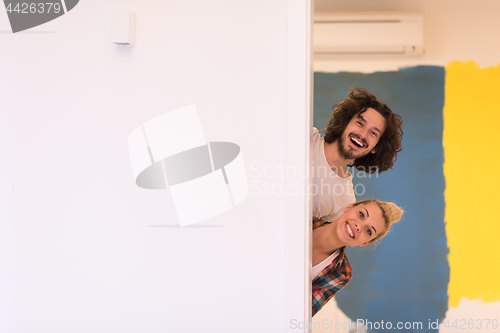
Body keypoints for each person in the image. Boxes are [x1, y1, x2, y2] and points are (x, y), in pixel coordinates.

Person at [312, 87, 403, 221]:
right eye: (360, 123)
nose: (362, 134)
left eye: (373, 133)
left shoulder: (345, 201)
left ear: (375, 148)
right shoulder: (305, 137)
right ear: (345, 122)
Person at [311, 199, 403, 317]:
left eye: (369, 231)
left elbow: (303, 311)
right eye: (361, 215)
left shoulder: (342, 274)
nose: (359, 226)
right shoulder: (300, 216)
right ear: (349, 207)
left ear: (365, 242)